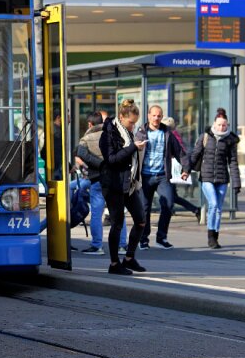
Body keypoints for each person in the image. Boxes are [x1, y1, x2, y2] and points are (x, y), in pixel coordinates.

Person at [99, 98, 148, 275]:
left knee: (141, 220)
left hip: (130, 183)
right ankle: (114, 264)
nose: (133, 127)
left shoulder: (128, 134)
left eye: (135, 124)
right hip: (114, 184)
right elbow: (111, 159)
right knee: (117, 224)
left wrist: (136, 148)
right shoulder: (108, 134)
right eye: (130, 123)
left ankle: (129, 258)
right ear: (121, 117)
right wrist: (133, 148)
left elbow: (129, 157)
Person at [185, 108, 240, 249]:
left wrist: (236, 183)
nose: (221, 127)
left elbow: (233, 162)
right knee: (214, 204)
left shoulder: (230, 140)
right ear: (214, 124)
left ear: (227, 125)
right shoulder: (205, 137)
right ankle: (210, 236)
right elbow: (195, 155)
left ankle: (215, 235)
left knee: (219, 209)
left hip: (222, 179)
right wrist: (186, 170)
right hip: (207, 177)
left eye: (224, 125)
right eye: (219, 124)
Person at [134, 105, 187, 250]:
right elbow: (131, 153)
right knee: (144, 209)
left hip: (162, 175)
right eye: (154, 115)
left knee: (168, 204)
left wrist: (185, 169)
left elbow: (180, 152)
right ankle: (143, 239)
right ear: (148, 116)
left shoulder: (167, 132)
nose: (156, 118)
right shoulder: (141, 133)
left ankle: (161, 237)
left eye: (159, 116)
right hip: (145, 176)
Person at [76, 111, 127, 255]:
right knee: (118, 213)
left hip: (97, 179)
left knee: (96, 214)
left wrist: (101, 165)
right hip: (115, 178)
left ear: (90, 124)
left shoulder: (86, 138)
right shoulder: (114, 135)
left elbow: (81, 154)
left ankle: (97, 245)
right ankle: (122, 245)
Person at [162, 116, 202, 220]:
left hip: (170, 169)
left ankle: (195, 210)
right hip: (168, 169)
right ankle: (195, 210)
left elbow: (180, 152)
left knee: (170, 196)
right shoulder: (173, 134)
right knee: (173, 196)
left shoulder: (171, 135)